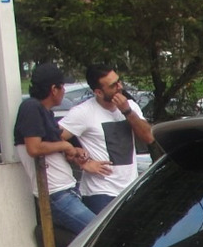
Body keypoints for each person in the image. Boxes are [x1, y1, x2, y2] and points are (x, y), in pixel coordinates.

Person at [13, 62, 95, 243]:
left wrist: (73, 151)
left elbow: (53, 145)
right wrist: (65, 146)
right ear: (54, 89)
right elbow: (34, 148)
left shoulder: (45, 112)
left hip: (67, 189)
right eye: (62, 86)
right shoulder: (31, 108)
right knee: (96, 233)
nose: (64, 90)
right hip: (55, 194)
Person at [60, 63, 154, 214]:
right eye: (113, 85)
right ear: (98, 92)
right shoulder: (83, 112)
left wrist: (128, 112)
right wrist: (81, 160)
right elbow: (55, 139)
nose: (119, 86)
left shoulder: (130, 106)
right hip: (100, 192)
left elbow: (148, 137)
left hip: (129, 188)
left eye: (118, 81)